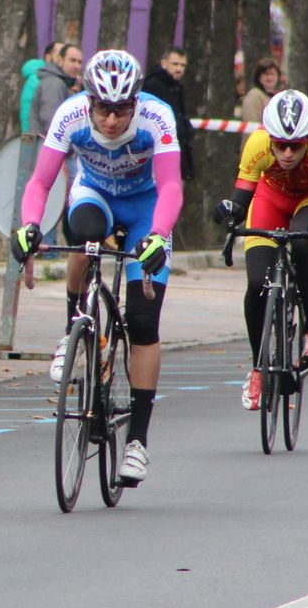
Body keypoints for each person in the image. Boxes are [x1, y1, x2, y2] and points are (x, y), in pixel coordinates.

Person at [10, 49, 183, 486]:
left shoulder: (157, 117)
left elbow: (171, 186)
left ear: (135, 102)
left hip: (146, 208)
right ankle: (74, 329)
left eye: (121, 110)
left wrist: (160, 236)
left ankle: (137, 443)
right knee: (83, 236)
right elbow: (41, 181)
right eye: (102, 109)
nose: (110, 120)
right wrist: (29, 226)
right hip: (96, 196)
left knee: (144, 323)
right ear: (88, 101)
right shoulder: (69, 115)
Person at [213, 89, 308, 410]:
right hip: (270, 199)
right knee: (258, 283)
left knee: (303, 241)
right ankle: (258, 368)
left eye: (296, 146)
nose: (287, 153)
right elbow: (241, 199)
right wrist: (228, 210)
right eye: (280, 145)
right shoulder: (257, 143)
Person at [141, 46, 196, 181]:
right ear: (164, 63)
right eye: (175, 64)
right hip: (160, 150)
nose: (179, 69)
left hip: (176, 148)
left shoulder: (175, 86)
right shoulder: (153, 85)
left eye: (183, 65)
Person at [30, 42, 82, 135]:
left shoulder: (63, 83)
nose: (77, 66)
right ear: (60, 60)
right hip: (47, 146)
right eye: (72, 60)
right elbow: (51, 123)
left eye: (79, 62)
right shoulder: (54, 84)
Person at [19, 41, 62, 134]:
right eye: (60, 54)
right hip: (37, 137)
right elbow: (29, 113)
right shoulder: (39, 78)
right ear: (48, 57)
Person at [238, 57, 281, 125]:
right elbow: (251, 125)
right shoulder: (254, 96)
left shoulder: (276, 96)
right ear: (258, 76)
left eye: (272, 74)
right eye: (265, 74)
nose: (269, 78)